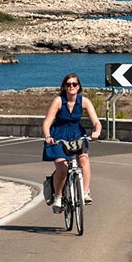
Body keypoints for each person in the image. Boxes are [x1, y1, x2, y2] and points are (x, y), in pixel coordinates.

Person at [42, 73, 101, 210]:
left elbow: (96, 122)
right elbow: (47, 122)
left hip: (76, 134)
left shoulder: (84, 101)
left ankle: (85, 192)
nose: (71, 87)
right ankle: (58, 196)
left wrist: (96, 132)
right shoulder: (58, 101)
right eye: (68, 84)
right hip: (59, 135)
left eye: (74, 84)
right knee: (62, 167)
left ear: (79, 86)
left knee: (84, 160)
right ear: (64, 87)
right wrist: (48, 136)